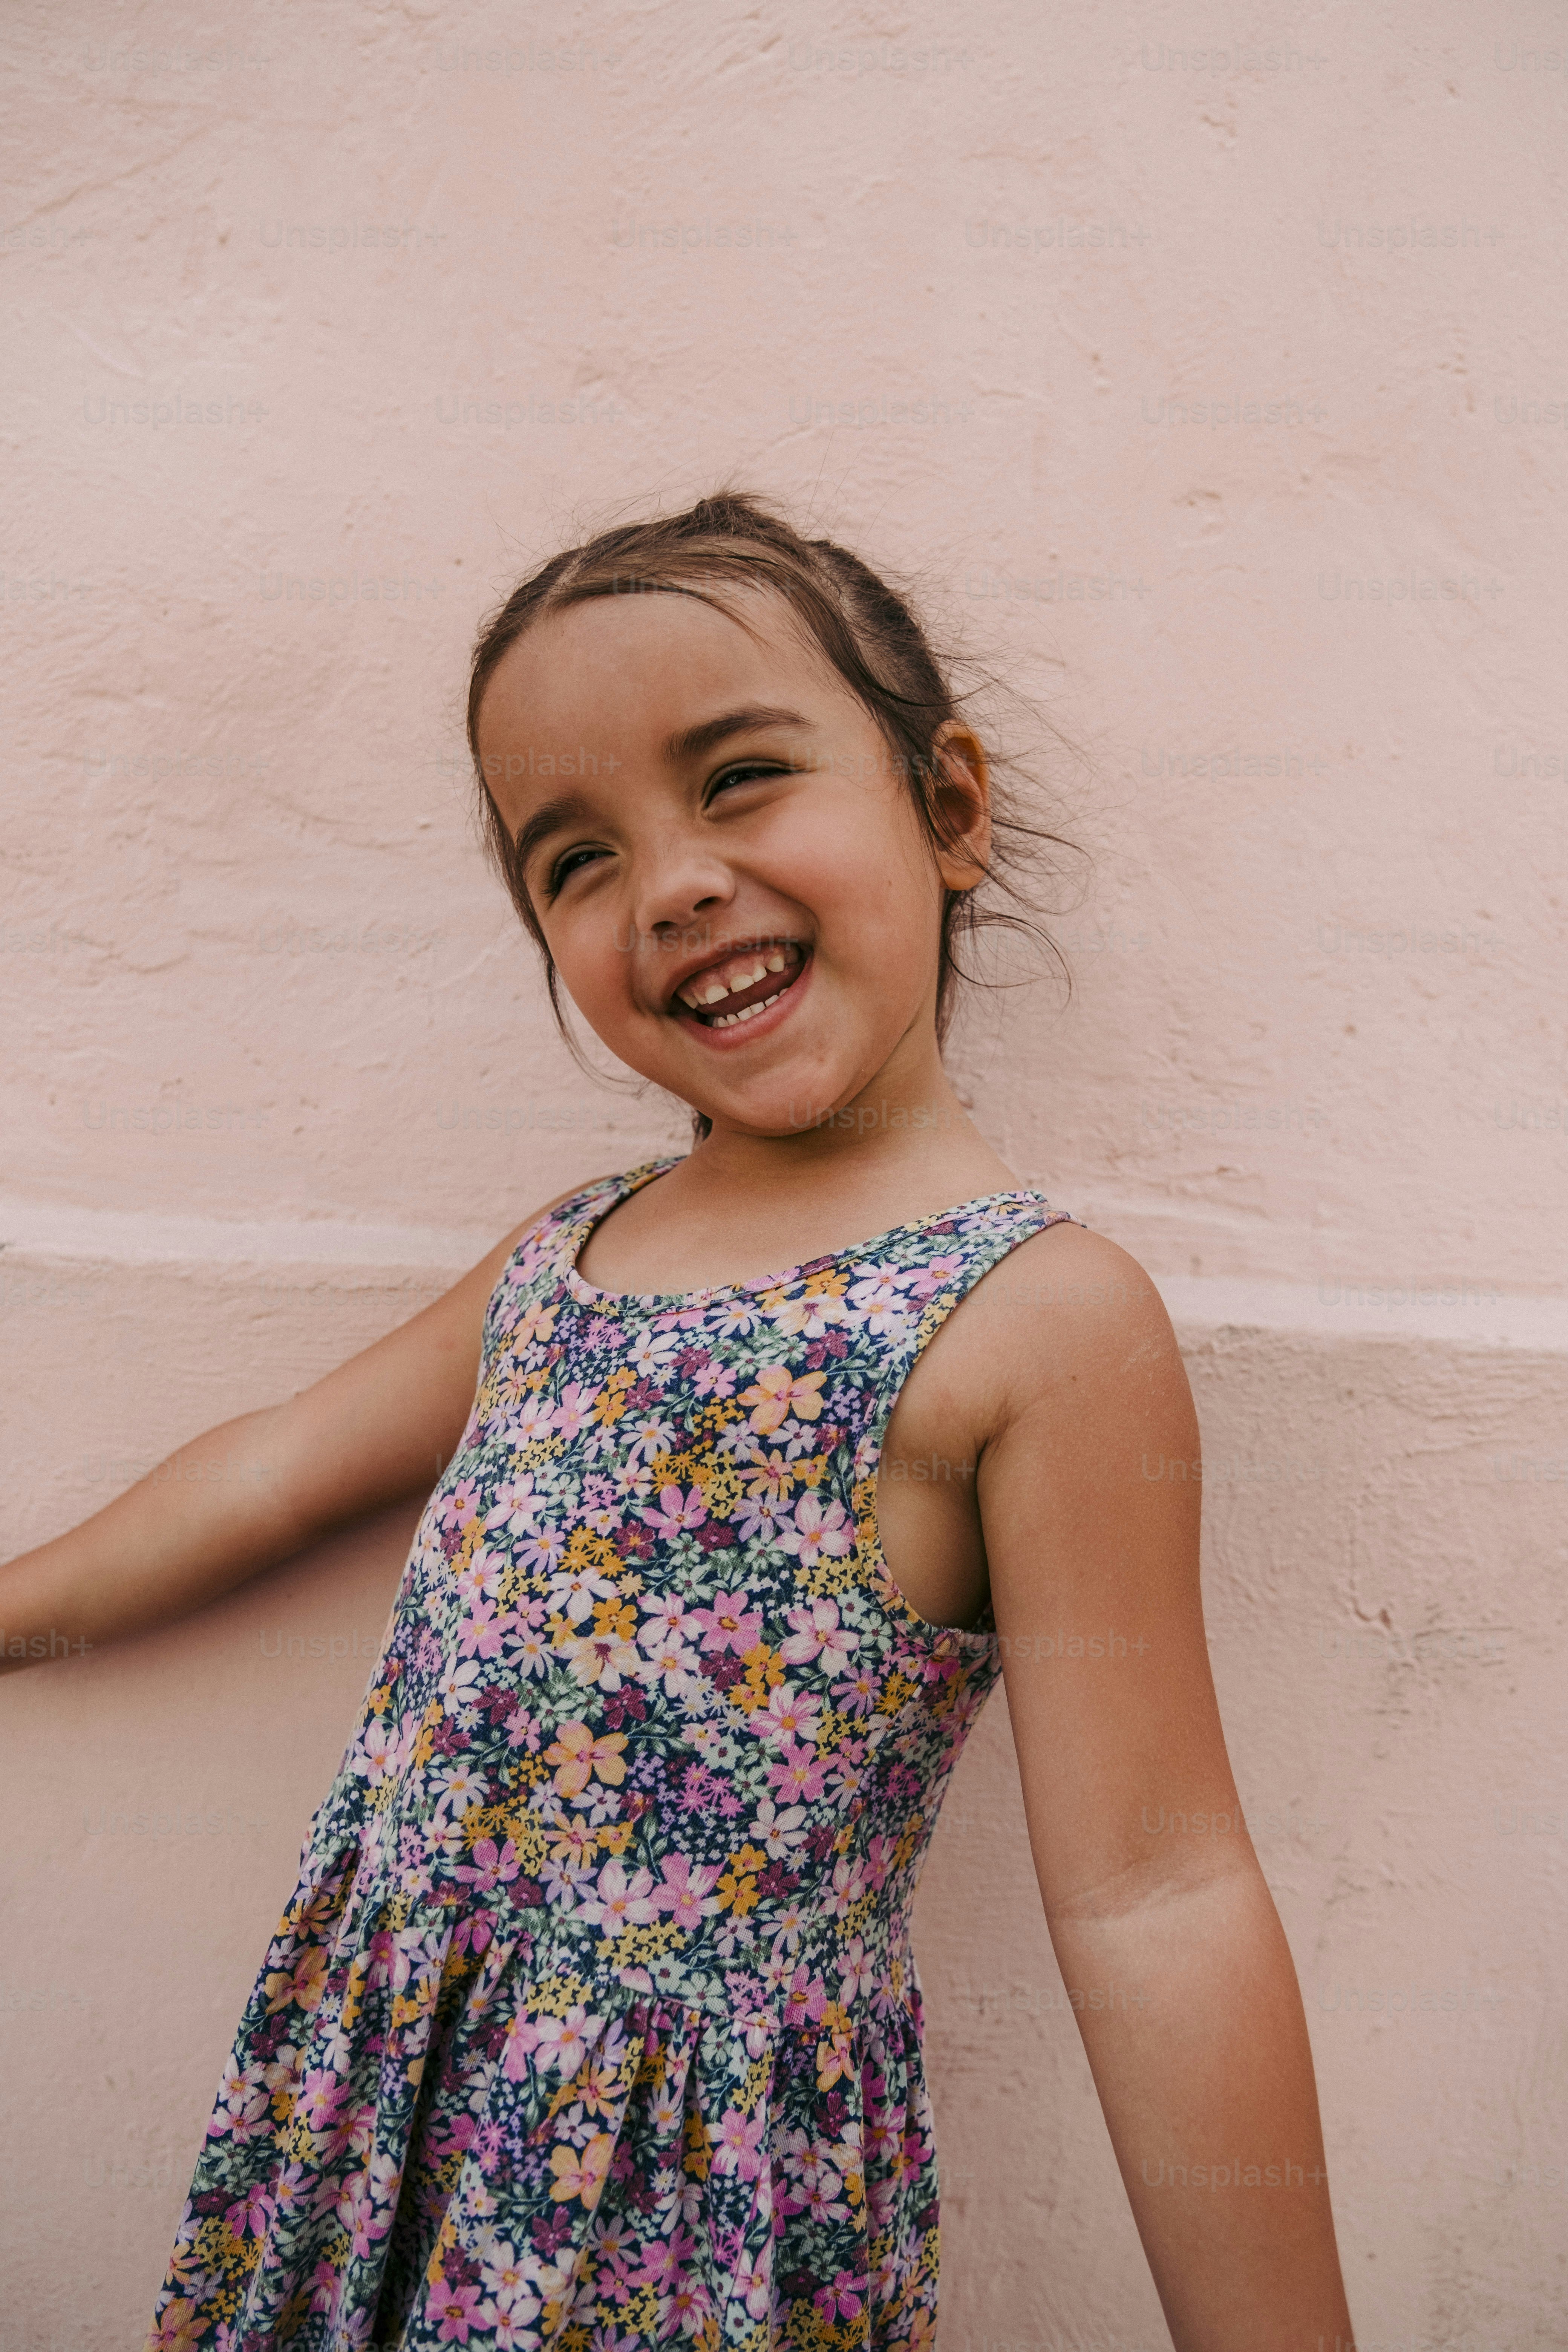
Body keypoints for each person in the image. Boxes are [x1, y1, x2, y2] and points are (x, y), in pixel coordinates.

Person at [4, 493, 1354, 2351]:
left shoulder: (1035, 1324)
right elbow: (277, 1468)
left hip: (676, 2201)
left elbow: (1154, 1887)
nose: (670, 884)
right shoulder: (569, 1253)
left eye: (739, 778)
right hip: (384, 2102)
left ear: (948, 807)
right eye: (575, 859)